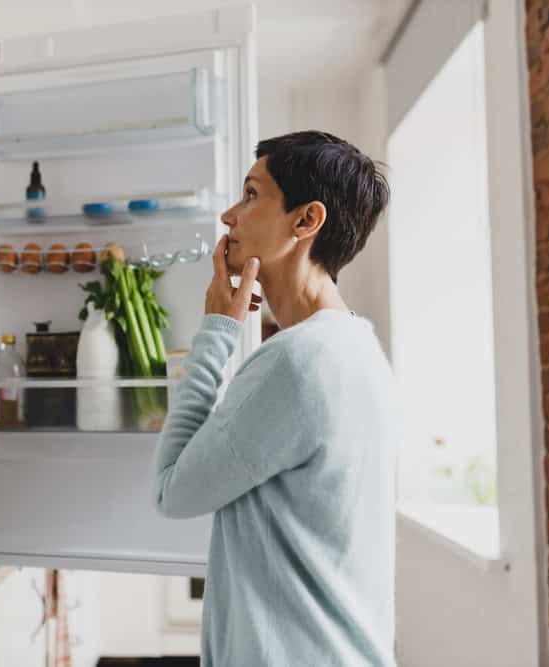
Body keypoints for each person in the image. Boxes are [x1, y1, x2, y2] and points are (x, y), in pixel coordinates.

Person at [153, 131, 398, 666]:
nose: (228, 216)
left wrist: (218, 328)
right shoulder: (358, 346)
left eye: (250, 195)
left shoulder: (298, 362)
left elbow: (171, 491)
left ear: (306, 221)